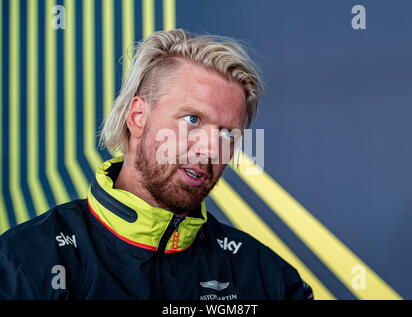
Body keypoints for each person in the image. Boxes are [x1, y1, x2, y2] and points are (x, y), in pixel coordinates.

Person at [0, 29, 313, 300]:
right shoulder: (23, 263)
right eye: (192, 119)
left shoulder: (265, 278)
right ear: (138, 117)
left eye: (228, 134)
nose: (209, 149)